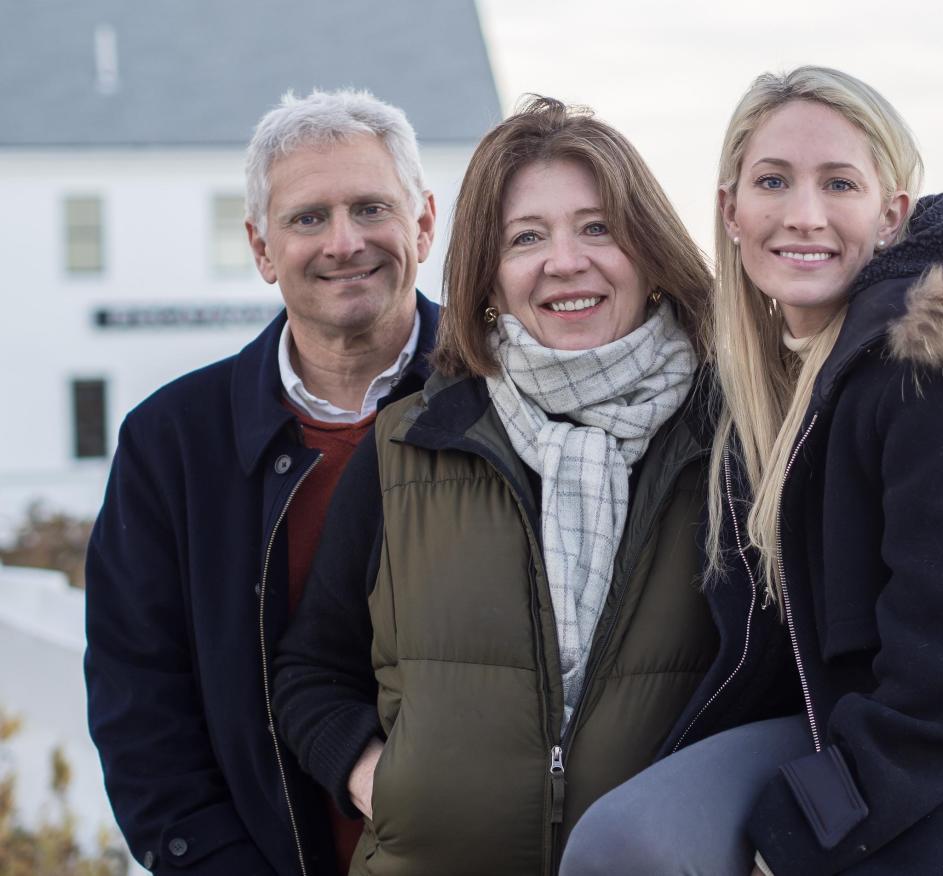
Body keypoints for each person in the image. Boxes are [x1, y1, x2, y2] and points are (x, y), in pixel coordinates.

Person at [561, 66, 943, 876]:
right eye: (773, 181)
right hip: (878, 759)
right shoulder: (775, 392)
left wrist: (798, 837)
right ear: (731, 211)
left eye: (838, 183)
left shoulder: (942, 369)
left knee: (627, 845)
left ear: (890, 218)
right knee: (624, 837)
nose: (803, 214)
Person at [272, 96, 734, 875]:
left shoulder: (733, 440)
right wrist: (380, 781)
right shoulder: (407, 443)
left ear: (650, 252)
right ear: (487, 275)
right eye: (527, 237)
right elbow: (311, 671)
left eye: (598, 227)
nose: (565, 261)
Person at [84, 89, 439, 876]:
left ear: (423, 222)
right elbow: (142, 712)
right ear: (260, 247)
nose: (344, 242)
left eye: (371, 208)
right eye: (308, 218)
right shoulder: (168, 444)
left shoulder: (507, 402)